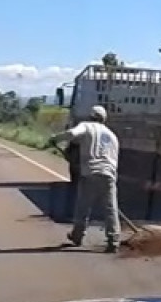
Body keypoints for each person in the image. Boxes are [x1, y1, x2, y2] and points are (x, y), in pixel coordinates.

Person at [48, 105, 121, 253]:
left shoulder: (86, 126)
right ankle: (114, 240)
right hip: (109, 174)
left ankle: (77, 236)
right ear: (104, 119)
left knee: (83, 206)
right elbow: (114, 158)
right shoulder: (112, 135)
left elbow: (71, 133)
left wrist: (55, 138)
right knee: (111, 208)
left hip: (91, 172)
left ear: (91, 117)